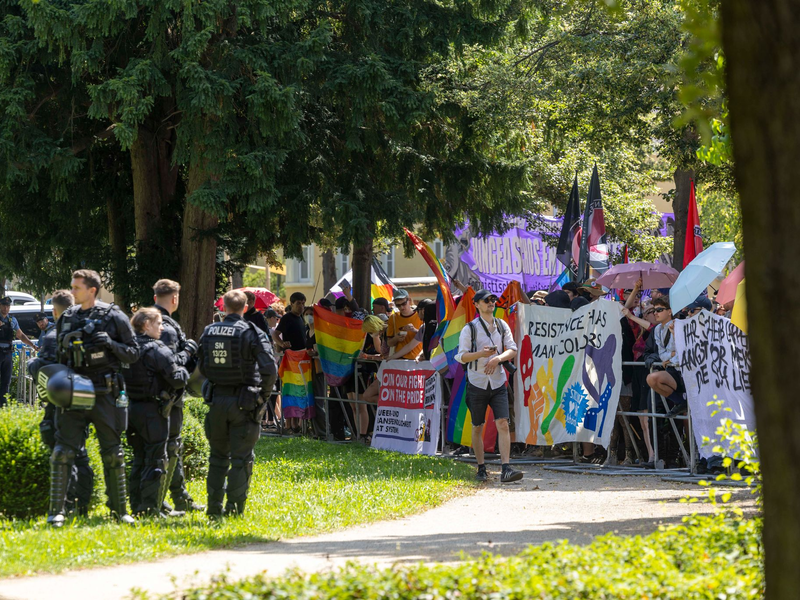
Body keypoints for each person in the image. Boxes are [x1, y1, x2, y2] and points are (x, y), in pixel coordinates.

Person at [48, 269, 139, 527]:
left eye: (77, 287)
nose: (72, 291)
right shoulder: (67, 317)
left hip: (105, 393)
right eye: (72, 287)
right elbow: (57, 357)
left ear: (92, 290)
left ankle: (120, 510)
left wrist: (110, 343)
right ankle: (57, 512)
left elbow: (133, 353)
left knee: (113, 454)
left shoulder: (114, 317)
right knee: (62, 452)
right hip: (74, 392)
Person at [197, 289, 278, 518]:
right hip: (244, 402)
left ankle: (213, 508)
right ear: (245, 308)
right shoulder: (251, 331)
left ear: (223, 307)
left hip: (216, 400)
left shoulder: (209, 331)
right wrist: (263, 396)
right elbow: (270, 369)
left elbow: (201, 365)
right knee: (242, 459)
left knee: (217, 457)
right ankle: (234, 510)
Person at [28, 290, 94, 517]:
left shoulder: (51, 337)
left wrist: (32, 365)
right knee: (81, 453)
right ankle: (83, 505)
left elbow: (43, 373)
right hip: (83, 402)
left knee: (62, 453)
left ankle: (66, 506)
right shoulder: (86, 333)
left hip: (58, 405)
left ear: (54, 312)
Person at [122, 308, 189, 516]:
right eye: (158, 323)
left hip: (131, 409)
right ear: (146, 325)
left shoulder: (127, 348)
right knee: (156, 460)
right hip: (153, 411)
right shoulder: (157, 349)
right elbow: (177, 378)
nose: (161, 328)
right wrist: (185, 370)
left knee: (139, 458)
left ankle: (136, 505)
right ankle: (150, 508)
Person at [455, 289, 522, 483]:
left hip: (498, 381)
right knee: (477, 427)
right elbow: (461, 356)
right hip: (477, 382)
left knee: (503, 423)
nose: (491, 303)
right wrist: (481, 355)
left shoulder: (501, 325)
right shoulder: (470, 328)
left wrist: (497, 359)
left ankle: (506, 468)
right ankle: (481, 467)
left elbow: (513, 349)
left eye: (492, 300)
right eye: (486, 300)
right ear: (476, 304)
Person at [152, 279, 203, 514]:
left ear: (155, 298)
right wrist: (189, 350)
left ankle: (180, 497)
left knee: (171, 447)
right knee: (169, 448)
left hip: (150, 396)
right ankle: (159, 501)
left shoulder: (144, 321)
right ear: (175, 299)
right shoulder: (167, 327)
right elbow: (171, 366)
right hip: (167, 398)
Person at [644, 297, 686, 418]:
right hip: (672, 370)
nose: (655, 313)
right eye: (654, 310)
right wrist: (671, 355)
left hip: (684, 371)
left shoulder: (679, 325)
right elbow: (662, 354)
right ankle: (681, 402)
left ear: (670, 311)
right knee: (651, 379)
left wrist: (671, 358)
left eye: (659, 310)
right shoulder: (657, 329)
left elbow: (683, 350)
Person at [273, 292, 307, 432]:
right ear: (292, 304)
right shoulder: (287, 318)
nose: (301, 306)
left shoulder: (301, 319)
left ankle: (297, 423)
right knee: (289, 391)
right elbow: (275, 334)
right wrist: (282, 343)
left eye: (303, 303)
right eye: (298, 303)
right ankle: (289, 424)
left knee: (299, 391)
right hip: (290, 360)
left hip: (302, 360)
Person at [0, 296, 37, 404]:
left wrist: (32, 345)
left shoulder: (12, 320)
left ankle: (3, 406)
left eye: (8, 306)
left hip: (7, 353)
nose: (6, 308)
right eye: (4, 306)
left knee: (6, 381)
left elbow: (20, 335)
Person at [385, 289, 423, 359]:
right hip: (399, 358)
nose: (401, 307)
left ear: (409, 301)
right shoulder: (393, 318)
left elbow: (427, 337)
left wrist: (415, 330)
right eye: (398, 305)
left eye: (403, 304)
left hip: (418, 359)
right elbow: (389, 343)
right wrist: (396, 338)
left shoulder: (420, 315)